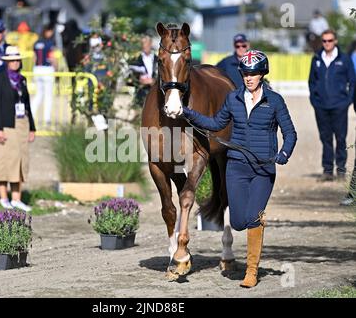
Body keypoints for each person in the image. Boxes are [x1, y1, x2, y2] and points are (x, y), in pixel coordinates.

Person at [177, 50, 297, 288]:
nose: (249, 77)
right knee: (240, 221)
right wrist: (187, 113)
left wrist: (284, 153)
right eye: (245, 73)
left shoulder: (275, 101)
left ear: (262, 74)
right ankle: (255, 223)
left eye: (253, 73)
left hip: (263, 169)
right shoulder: (233, 99)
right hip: (237, 168)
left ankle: (251, 272)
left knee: (253, 217)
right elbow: (215, 124)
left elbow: (290, 132)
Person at [0, 46, 36, 212]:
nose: (15, 63)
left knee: (20, 160)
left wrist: (32, 128)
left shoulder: (22, 80)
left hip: (22, 123)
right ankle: (3, 197)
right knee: (3, 160)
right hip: (6, 124)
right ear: (6, 62)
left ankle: (17, 198)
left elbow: (28, 104)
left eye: (17, 60)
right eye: (12, 60)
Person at [308, 29, 355, 182]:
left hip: (339, 106)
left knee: (341, 138)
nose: (327, 43)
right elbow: (312, 82)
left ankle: (341, 170)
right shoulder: (316, 58)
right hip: (321, 106)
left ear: (335, 41)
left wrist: (347, 101)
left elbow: (353, 82)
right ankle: (327, 170)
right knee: (325, 138)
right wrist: (314, 101)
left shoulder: (345, 59)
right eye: (324, 41)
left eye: (329, 40)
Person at [31, 25, 56, 126]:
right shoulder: (50, 43)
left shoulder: (36, 43)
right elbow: (52, 58)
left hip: (37, 69)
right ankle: (47, 119)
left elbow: (34, 58)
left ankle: (31, 115)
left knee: (38, 94)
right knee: (48, 95)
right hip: (47, 69)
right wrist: (56, 68)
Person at [129, 35, 158, 107]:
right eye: (143, 43)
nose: (144, 46)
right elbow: (130, 77)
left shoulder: (158, 59)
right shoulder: (135, 60)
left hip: (155, 93)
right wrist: (139, 80)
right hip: (141, 93)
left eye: (146, 43)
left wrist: (154, 81)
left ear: (150, 44)